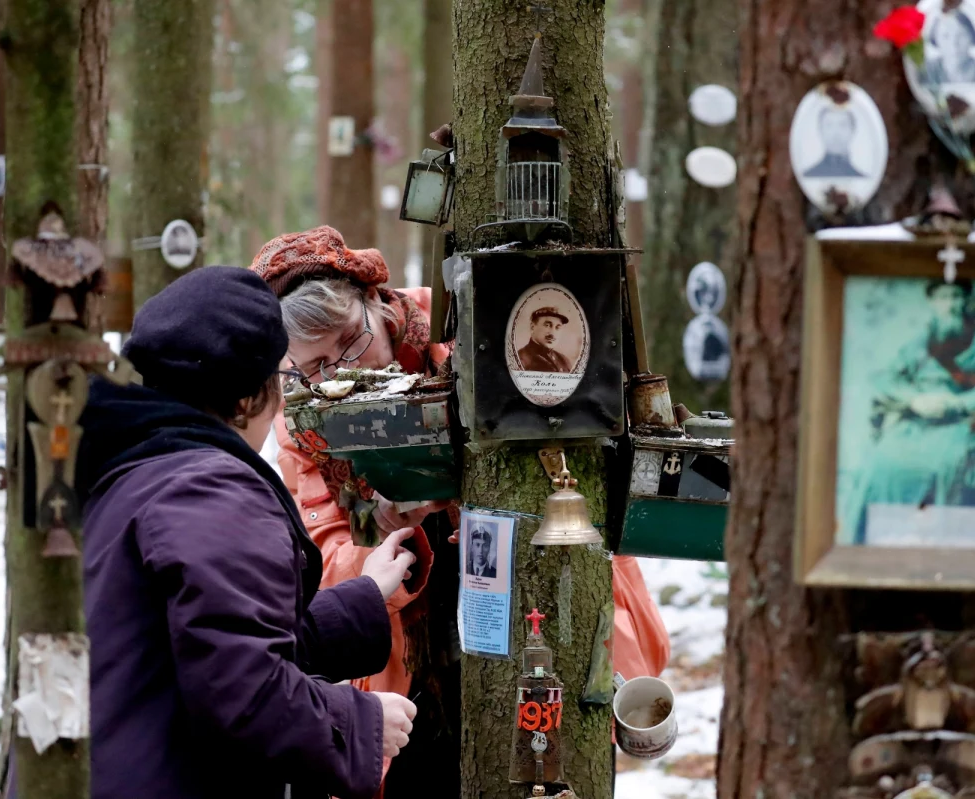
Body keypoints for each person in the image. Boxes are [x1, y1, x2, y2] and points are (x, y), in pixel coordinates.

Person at [250, 225, 671, 798]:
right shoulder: (300, 414)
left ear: (374, 297)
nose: (337, 372)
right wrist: (388, 535)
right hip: (415, 648)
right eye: (314, 365)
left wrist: (472, 488)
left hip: (537, 583)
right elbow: (325, 555)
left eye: (350, 341)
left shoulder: (464, 327)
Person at [8, 267, 419, 799]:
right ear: (249, 400)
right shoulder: (210, 490)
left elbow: (210, 640)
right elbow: (243, 691)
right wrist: (361, 723)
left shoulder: (136, 472)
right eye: (281, 379)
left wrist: (362, 598)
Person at [847, 279, 975, 545]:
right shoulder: (918, 345)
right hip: (918, 419)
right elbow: (890, 379)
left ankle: (944, 542)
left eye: (957, 297)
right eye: (944, 297)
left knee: (950, 463)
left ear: (966, 301)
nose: (951, 305)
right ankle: (878, 541)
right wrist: (915, 400)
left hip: (962, 420)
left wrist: (957, 402)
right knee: (881, 460)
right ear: (932, 302)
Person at [920, 11, 975, 86]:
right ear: (936, 39)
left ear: (971, 37)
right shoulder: (925, 71)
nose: (954, 44)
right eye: (946, 36)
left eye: (961, 35)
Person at [803, 107, 866, 179]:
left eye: (842, 125)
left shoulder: (861, 178)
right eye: (829, 125)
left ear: (852, 130)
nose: (836, 133)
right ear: (820, 130)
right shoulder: (810, 176)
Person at [516, 306, 574, 372]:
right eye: (547, 325)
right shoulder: (520, 360)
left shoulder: (565, 361)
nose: (553, 333)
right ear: (532, 327)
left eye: (557, 327)